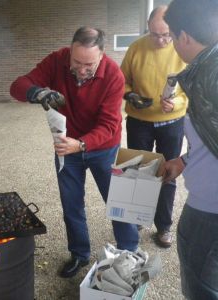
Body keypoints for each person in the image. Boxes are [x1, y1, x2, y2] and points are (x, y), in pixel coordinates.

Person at [10, 26, 139, 278]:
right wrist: (38, 92)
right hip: (66, 147)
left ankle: (128, 252)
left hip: (103, 147)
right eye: (76, 62)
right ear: (70, 51)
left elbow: (109, 125)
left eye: (88, 64)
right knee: (71, 205)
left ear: (102, 55)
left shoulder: (114, 75)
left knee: (119, 203)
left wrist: (80, 144)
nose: (81, 70)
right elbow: (18, 85)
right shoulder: (57, 60)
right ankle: (79, 254)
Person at [162, 0, 218, 299]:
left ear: (184, 37)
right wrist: (185, 160)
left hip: (211, 211)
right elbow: (211, 137)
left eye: (171, 36)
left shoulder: (210, 76)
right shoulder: (209, 69)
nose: (171, 44)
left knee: (202, 288)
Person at [120, 6, 188, 248]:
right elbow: (122, 80)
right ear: (148, 28)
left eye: (166, 34)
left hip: (172, 122)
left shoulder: (182, 47)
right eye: (155, 34)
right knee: (138, 171)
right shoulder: (136, 48)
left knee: (168, 174)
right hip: (139, 122)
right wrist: (130, 96)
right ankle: (136, 221)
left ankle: (164, 226)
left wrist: (177, 101)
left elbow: (191, 90)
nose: (161, 40)